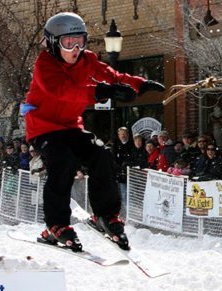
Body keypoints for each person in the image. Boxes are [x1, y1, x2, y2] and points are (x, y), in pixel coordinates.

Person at [20, 12, 165, 251]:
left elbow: (112, 75)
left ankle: (105, 215)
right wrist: (100, 92)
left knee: (102, 154)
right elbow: (64, 91)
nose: (76, 48)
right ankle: (56, 225)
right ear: (55, 43)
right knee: (63, 162)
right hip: (44, 128)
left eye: (80, 40)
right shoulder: (44, 65)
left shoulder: (86, 59)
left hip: (70, 126)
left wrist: (139, 84)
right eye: (69, 42)